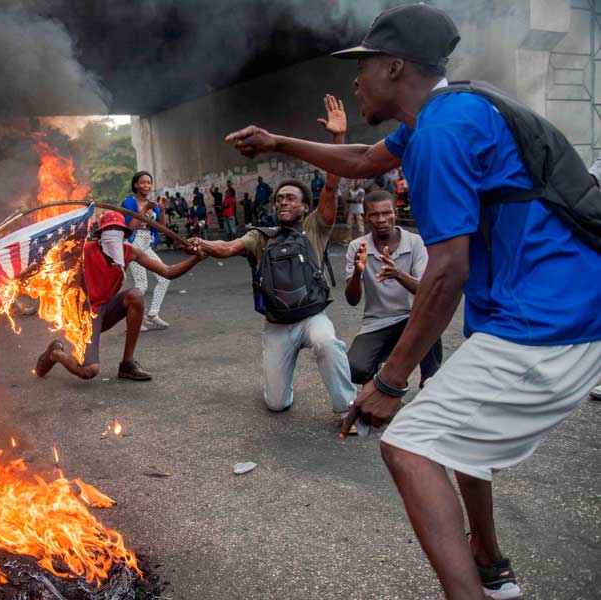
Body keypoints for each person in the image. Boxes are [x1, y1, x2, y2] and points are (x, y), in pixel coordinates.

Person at [224, 5, 601, 598]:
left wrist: (391, 381)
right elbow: (364, 160)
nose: (355, 80)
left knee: (408, 445)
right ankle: (490, 563)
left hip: (547, 324)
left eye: (364, 66)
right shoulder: (449, 113)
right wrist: (279, 140)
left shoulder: (442, 134)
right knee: (458, 440)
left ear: (396, 67)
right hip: (530, 313)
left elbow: (447, 272)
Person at [195, 94, 355, 419]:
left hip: (312, 317)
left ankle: (347, 408)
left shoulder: (315, 228)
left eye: (290, 199)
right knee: (276, 404)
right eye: (279, 198)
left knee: (327, 342)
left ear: (304, 206)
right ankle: (283, 386)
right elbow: (226, 248)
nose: (283, 202)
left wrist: (337, 137)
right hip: (277, 325)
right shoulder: (260, 236)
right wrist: (201, 245)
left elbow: (331, 187)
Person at [35, 211, 205, 381]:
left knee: (135, 295)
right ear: (100, 234)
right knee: (89, 371)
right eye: (109, 229)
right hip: (84, 317)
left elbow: (168, 272)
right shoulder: (85, 250)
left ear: (124, 234)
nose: (113, 233)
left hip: (106, 310)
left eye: (118, 229)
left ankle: (127, 364)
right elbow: (51, 260)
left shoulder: (129, 252)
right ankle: (56, 353)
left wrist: (196, 259)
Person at [345, 190, 442, 387]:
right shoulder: (357, 246)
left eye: (386, 213)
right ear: (365, 217)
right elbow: (352, 300)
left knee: (430, 315)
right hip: (377, 321)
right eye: (374, 214)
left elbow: (426, 290)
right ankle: (379, 382)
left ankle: (429, 381)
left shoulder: (415, 242)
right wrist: (357, 273)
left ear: (395, 213)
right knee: (354, 368)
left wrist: (397, 273)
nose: (381, 219)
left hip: (412, 318)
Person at [121, 171, 172, 330]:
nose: (146, 186)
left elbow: (162, 229)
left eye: (149, 183)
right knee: (141, 285)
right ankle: (135, 320)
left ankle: (153, 314)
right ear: (136, 185)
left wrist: (162, 210)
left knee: (165, 278)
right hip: (133, 246)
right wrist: (145, 209)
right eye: (142, 182)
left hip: (146, 245)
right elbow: (131, 227)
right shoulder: (129, 202)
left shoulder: (153, 204)